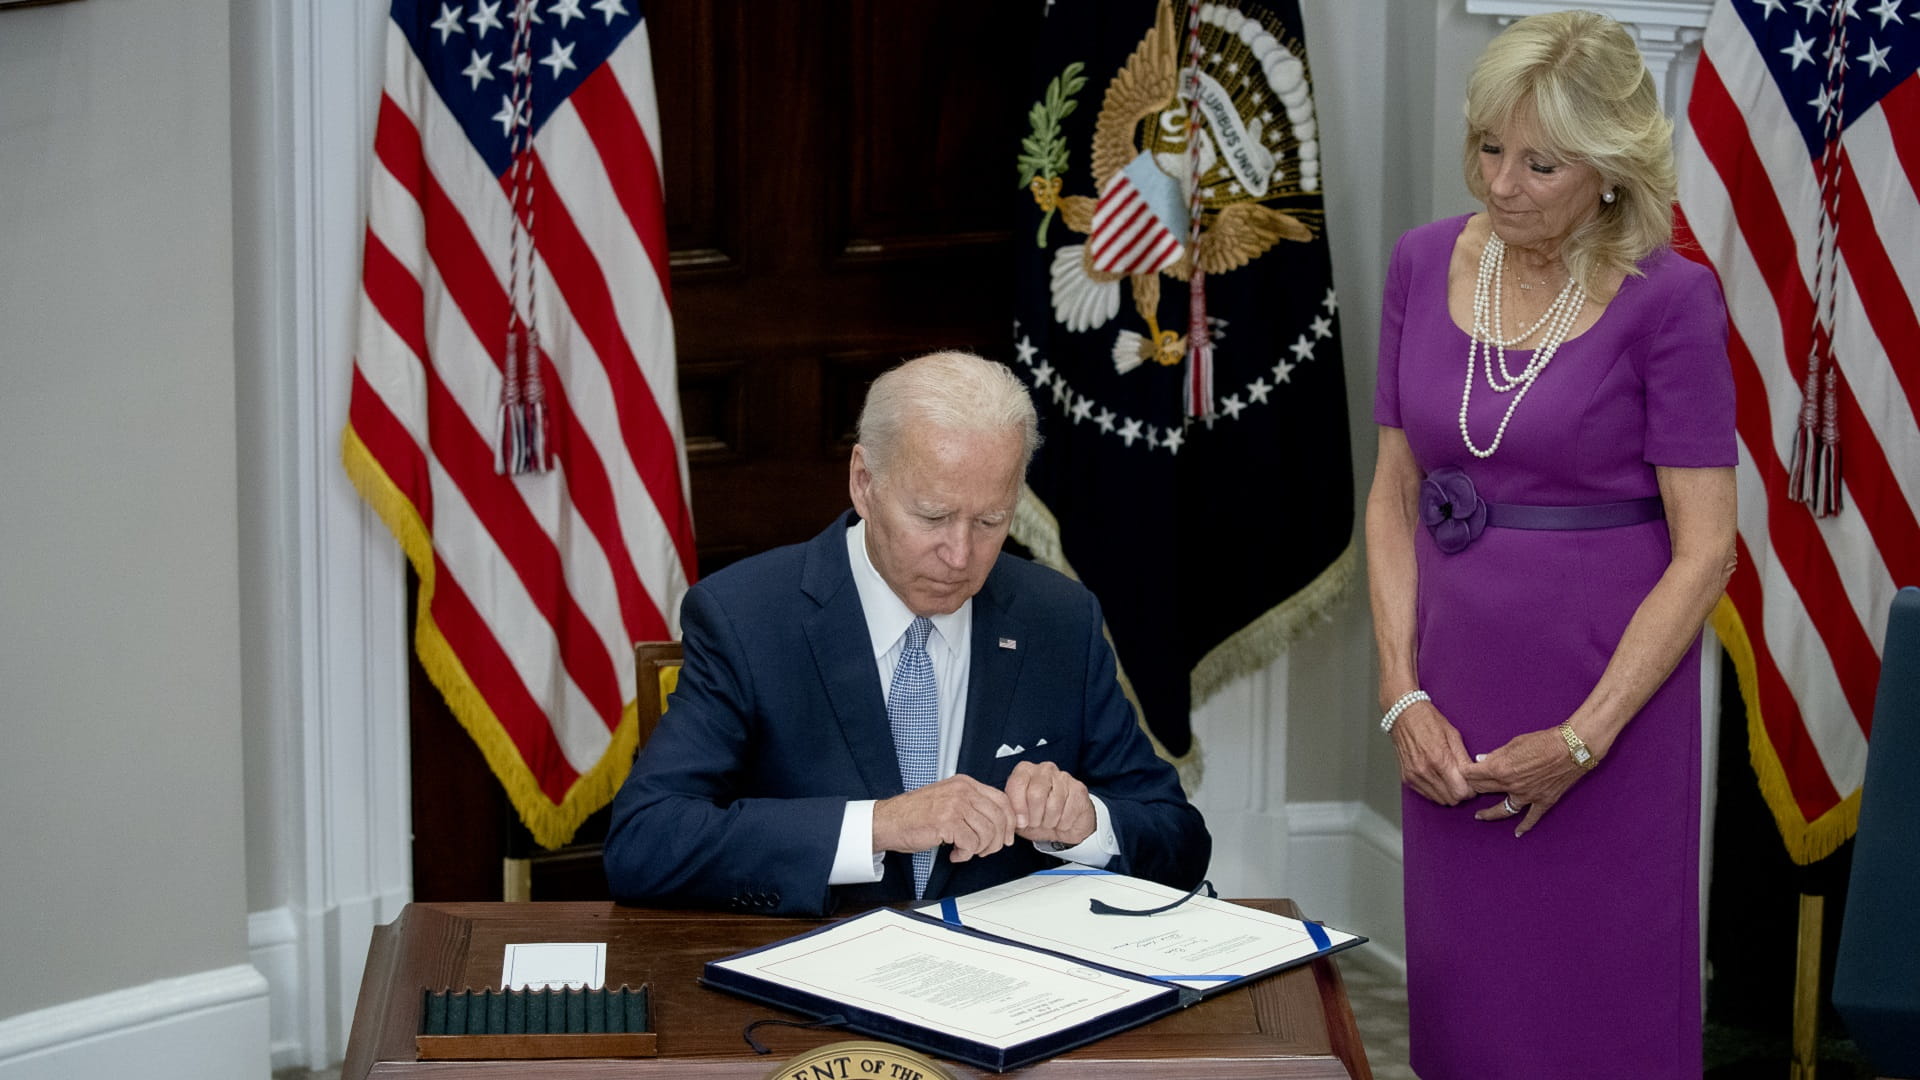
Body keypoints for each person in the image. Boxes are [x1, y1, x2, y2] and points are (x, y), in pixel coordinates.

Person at [1365, 12, 1736, 1079]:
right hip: (1451, 706)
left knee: (1601, 1009)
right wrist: (1402, 693)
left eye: (1541, 162)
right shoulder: (1421, 262)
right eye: (1489, 146)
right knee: (1468, 1010)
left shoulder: (1674, 300)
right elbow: (1393, 496)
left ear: (1613, 170)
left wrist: (1584, 737)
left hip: (1609, 710)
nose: (1502, 183)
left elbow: (1707, 550)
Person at [604, 350, 1210, 916]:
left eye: (990, 521)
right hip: (813, 998)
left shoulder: (1057, 618)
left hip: (1010, 999)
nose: (960, 554)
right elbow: (645, 843)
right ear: (864, 482)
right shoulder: (746, 617)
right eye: (933, 516)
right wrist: (879, 825)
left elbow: (1179, 840)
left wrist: (1086, 824)